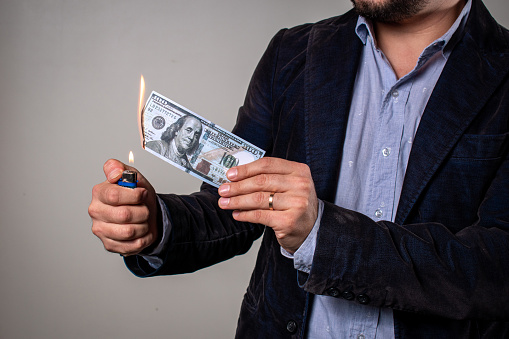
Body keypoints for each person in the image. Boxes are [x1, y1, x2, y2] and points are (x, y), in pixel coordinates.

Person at [89, 0, 509, 337]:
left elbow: (498, 268)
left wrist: (324, 236)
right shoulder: (294, 53)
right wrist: (156, 226)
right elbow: (231, 205)